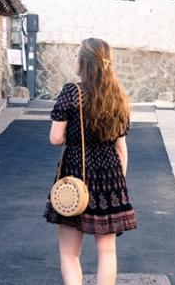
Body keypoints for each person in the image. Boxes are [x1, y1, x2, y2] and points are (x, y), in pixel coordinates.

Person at [44, 38, 137, 285]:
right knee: (107, 252)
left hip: (77, 175)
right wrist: (119, 182)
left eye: (77, 56)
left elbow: (55, 138)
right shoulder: (119, 97)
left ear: (84, 63)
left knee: (69, 253)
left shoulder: (73, 93)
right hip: (110, 178)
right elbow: (121, 147)